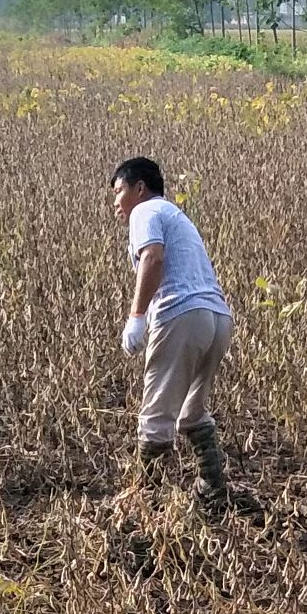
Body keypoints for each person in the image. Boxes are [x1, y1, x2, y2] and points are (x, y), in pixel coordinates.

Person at [109, 155, 239, 511]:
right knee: (191, 411)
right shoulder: (177, 216)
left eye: (119, 191)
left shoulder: (145, 212)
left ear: (139, 188)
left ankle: (146, 504)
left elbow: (152, 257)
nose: (115, 203)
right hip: (216, 318)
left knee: (155, 416)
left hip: (182, 315)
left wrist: (137, 316)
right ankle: (212, 491)